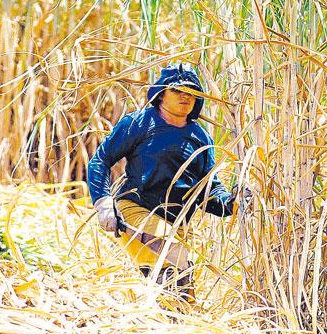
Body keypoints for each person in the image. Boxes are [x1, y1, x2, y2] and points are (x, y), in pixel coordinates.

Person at [87, 63, 250, 296]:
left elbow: (208, 189)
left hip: (176, 225)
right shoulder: (139, 123)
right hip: (136, 210)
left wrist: (233, 202)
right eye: (177, 90)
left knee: (178, 288)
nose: (185, 96)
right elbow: (100, 160)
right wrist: (103, 204)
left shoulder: (200, 137)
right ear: (161, 93)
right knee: (172, 261)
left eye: (192, 92)